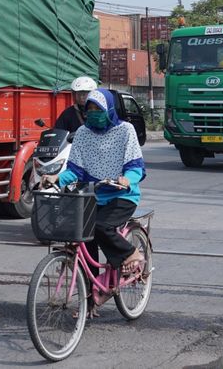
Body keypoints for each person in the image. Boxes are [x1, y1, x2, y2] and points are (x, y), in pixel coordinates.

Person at [43, 89, 146, 306]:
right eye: (89, 109)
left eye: (97, 109)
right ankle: (90, 296)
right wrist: (56, 178)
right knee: (83, 234)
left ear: (108, 109)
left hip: (122, 195)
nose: (93, 113)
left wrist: (127, 180)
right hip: (92, 195)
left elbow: (136, 166)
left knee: (100, 226)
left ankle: (131, 252)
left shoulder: (125, 130)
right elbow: (75, 171)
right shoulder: (82, 133)